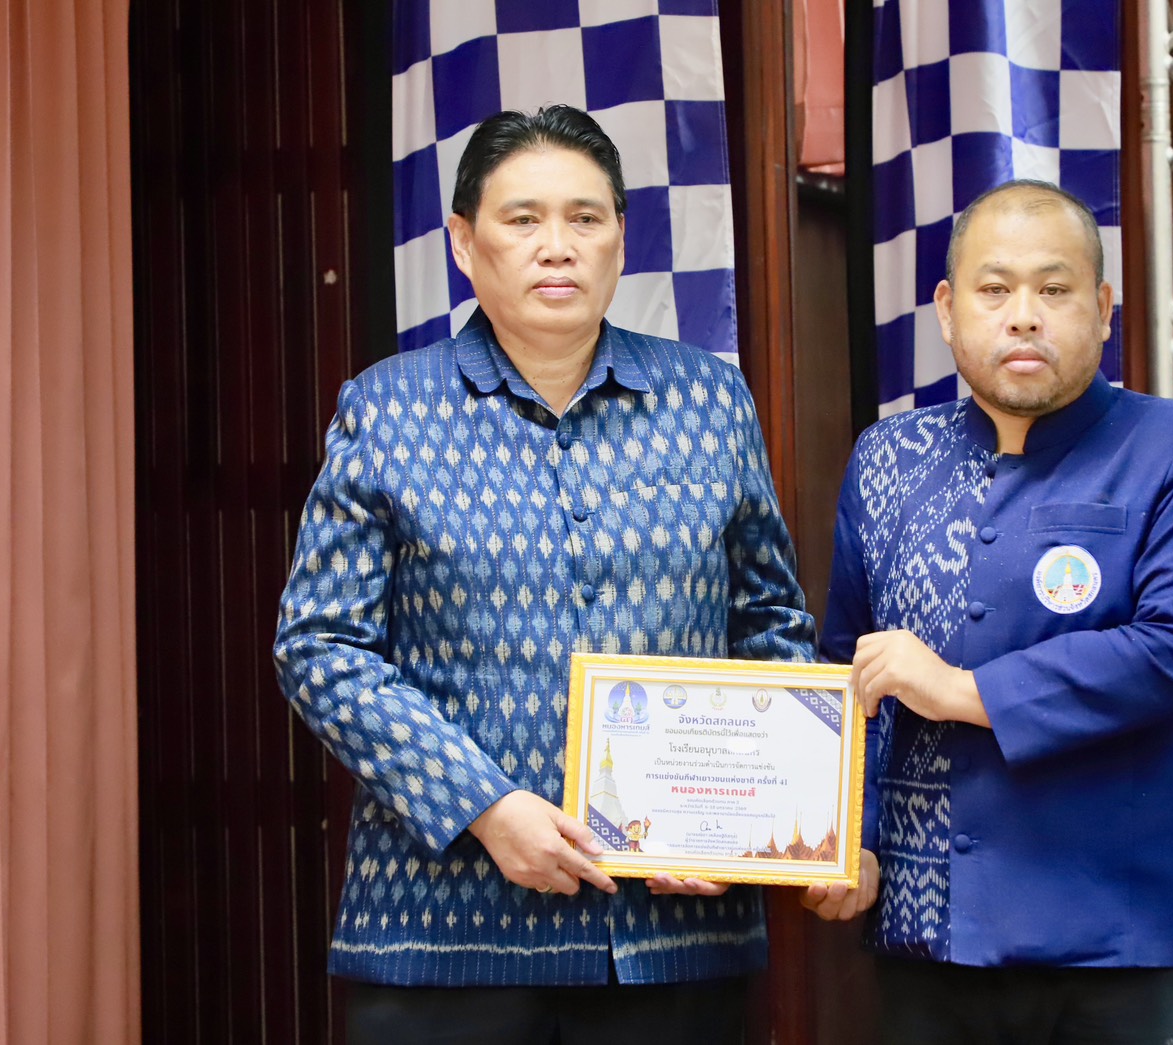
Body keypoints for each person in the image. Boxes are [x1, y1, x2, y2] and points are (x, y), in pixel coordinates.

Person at [272, 105, 814, 1044]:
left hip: (672, 935)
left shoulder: (708, 399)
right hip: (444, 933)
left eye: (584, 218)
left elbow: (768, 621)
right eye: (522, 219)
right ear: (463, 242)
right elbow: (319, 644)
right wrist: (482, 805)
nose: (556, 245)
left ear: (620, 240)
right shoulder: (387, 409)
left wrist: (742, 821)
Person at [803, 180, 1173, 1043]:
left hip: (1117, 938)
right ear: (946, 310)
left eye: (1053, 289)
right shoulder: (888, 457)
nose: (1023, 316)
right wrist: (843, 838)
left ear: (1102, 308)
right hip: (927, 936)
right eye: (994, 289)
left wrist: (960, 690)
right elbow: (845, 673)